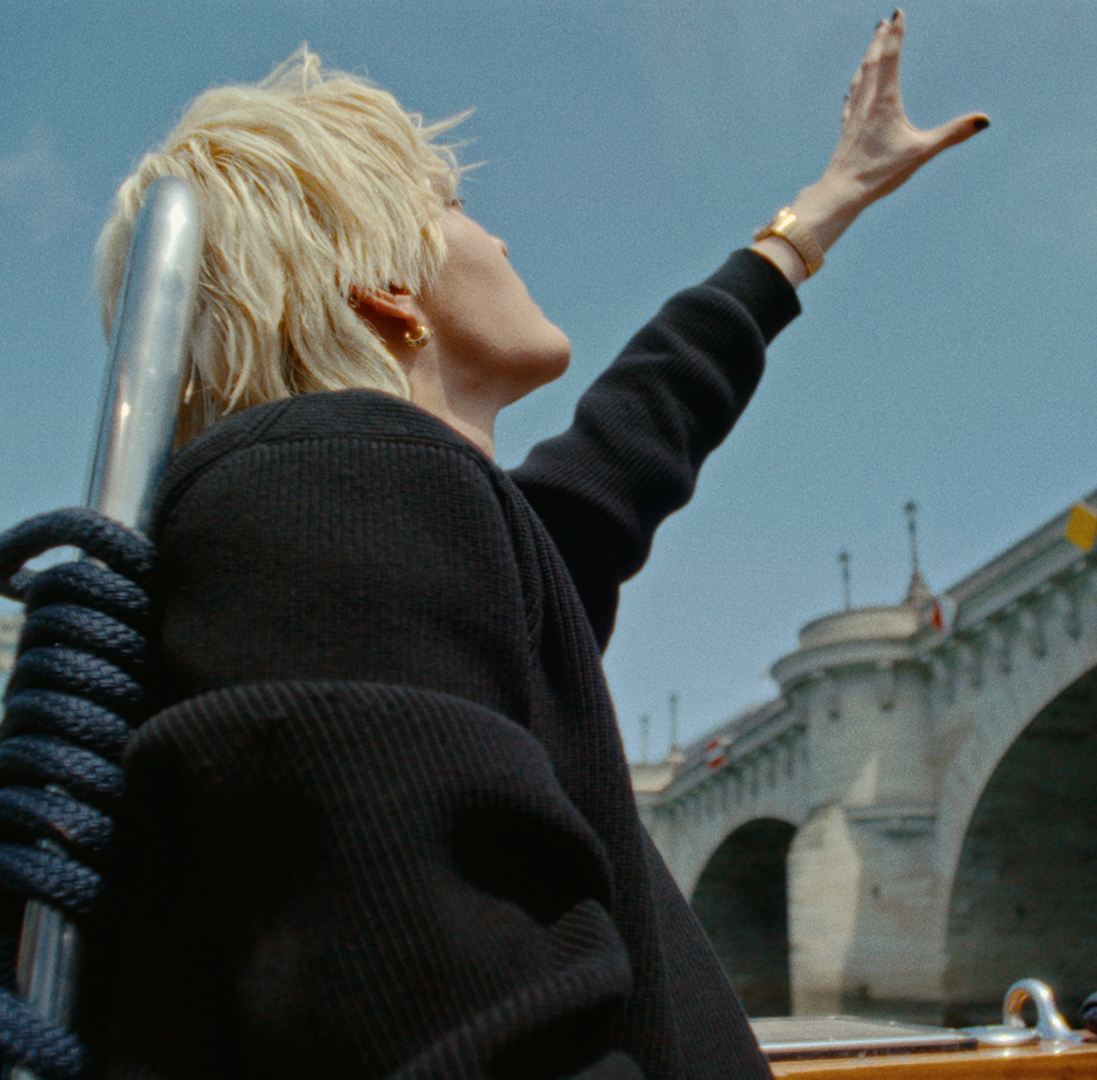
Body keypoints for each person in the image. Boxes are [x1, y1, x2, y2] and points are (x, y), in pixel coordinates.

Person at [81, 13, 985, 1079]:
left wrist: (826, 205)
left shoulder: (380, 537)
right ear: (385, 288)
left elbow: (635, 435)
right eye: (454, 207)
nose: (501, 240)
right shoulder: (327, 507)